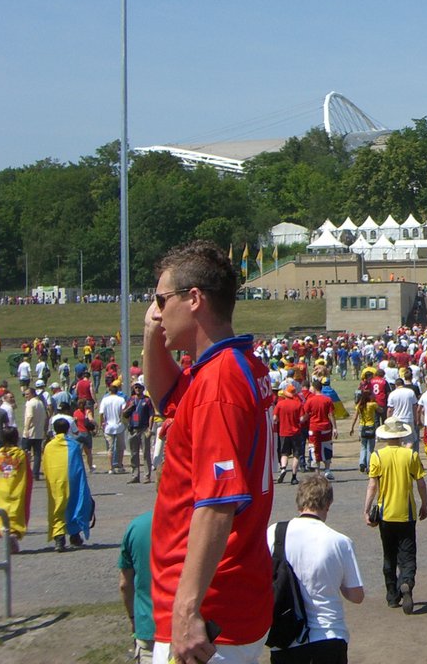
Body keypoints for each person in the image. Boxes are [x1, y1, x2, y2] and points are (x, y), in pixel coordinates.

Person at [142, 239, 276, 664]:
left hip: (210, 609)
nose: (156, 311)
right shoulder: (231, 367)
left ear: (194, 299)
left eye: (162, 299)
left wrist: (185, 610)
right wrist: (151, 335)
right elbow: (166, 397)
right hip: (227, 595)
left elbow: (219, 503)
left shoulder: (218, 384)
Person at [266, 475, 364, 663]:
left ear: (299, 502)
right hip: (328, 635)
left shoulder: (274, 532)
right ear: (328, 504)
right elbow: (356, 596)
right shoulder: (340, 541)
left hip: (285, 636)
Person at [363, 416, 427, 613]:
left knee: (389, 555)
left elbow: (372, 486)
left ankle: (392, 595)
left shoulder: (377, 456)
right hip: (406, 513)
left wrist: (366, 509)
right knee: (407, 554)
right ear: (401, 436)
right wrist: (424, 504)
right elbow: (421, 483)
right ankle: (406, 581)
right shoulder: (410, 455)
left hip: (385, 514)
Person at [42, 417, 94, 551]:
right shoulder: (74, 445)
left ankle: (59, 538)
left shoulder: (49, 446)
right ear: (68, 429)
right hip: (72, 480)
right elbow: (79, 467)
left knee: (57, 506)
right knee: (74, 503)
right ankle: (74, 535)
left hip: (55, 481)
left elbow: (46, 466)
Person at [119, 510, 154, 664]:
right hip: (192, 630)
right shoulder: (201, 523)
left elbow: (125, 585)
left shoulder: (137, 526)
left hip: (148, 626)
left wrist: (133, 618)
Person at [0, 426, 30, 552]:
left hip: (2, 490)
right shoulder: (20, 455)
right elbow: (26, 473)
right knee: (15, 516)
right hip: (16, 490)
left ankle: (7, 534)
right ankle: (13, 534)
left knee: (3, 516)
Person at [123, 381, 155, 483]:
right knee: (133, 453)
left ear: (142, 388)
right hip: (133, 429)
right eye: (136, 387)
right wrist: (129, 407)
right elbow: (124, 414)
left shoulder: (147, 400)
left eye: (139, 387)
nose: (137, 389)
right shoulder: (131, 399)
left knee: (146, 453)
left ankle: (147, 475)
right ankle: (135, 475)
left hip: (143, 429)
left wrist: (150, 428)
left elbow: (151, 415)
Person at [98, 382, 128, 474]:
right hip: (118, 425)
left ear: (109, 391)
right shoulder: (121, 399)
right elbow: (124, 411)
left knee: (110, 448)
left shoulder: (105, 400)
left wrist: (101, 423)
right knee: (120, 447)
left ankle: (111, 467)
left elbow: (101, 413)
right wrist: (122, 420)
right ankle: (119, 465)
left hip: (108, 426)